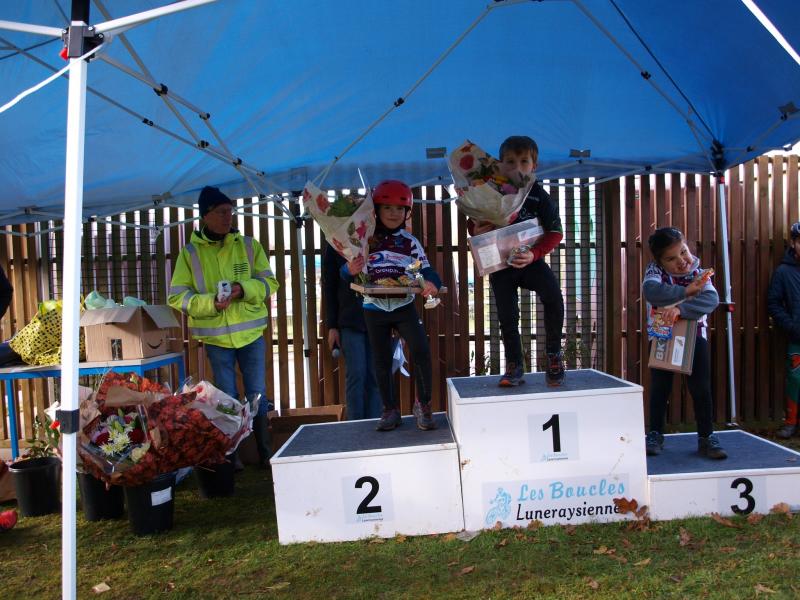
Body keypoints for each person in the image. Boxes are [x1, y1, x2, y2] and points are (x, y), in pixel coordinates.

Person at [168, 186, 279, 467]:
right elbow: (177, 297)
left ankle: (265, 455)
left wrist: (243, 288)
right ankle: (233, 459)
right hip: (217, 340)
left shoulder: (249, 245)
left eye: (230, 211)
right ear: (205, 216)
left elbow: (270, 282)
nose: (228, 216)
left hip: (251, 335)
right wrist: (210, 304)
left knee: (257, 395)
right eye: (221, 212)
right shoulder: (189, 253)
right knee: (227, 399)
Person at [344, 180, 441, 431]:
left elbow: (425, 270)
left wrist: (432, 282)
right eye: (387, 208)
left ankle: (423, 405)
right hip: (373, 308)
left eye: (400, 208)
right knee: (381, 359)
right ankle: (390, 410)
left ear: (407, 212)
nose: (394, 213)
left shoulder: (410, 242)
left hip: (403, 306)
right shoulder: (364, 239)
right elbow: (345, 273)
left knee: (421, 350)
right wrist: (348, 269)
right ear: (376, 210)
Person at [468, 135, 565, 387]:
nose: (517, 167)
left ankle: (554, 355)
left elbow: (556, 232)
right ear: (499, 165)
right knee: (507, 315)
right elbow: (475, 224)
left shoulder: (539, 195)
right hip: (501, 266)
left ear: (534, 166)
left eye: (524, 161)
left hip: (531, 261)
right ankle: (514, 365)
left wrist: (534, 254)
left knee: (554, 296)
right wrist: (476, 230)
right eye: (510, 162)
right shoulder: (491, 193)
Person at [643, 227, 726, 459]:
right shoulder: (654, 272)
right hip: (661, 334)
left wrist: (680, 309)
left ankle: (707, 437)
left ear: (688, 247)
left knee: (700, 387)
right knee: (660, 386)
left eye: (683, 252)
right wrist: (687, 290)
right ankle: (655, 433)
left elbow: (711, 299)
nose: (681, 261)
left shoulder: (699, 272)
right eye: (671, 259)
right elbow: (652, 292)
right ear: (659, 262)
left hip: (695, 335)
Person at [322, 242, 382, 420]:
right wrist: (332, 326)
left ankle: (375, 427)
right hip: (350, 320)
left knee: (376, 377)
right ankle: (355, 428)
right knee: (356, 375)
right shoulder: (335, 242)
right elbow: (329, 286)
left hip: (380, 318)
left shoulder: (379, 236)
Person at [767, 221, 800, 439]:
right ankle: (791, 422)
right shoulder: (783, 272)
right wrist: (791, 326)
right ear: (793, 243)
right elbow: (773, 303)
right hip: (797, 336)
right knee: (795, 379)